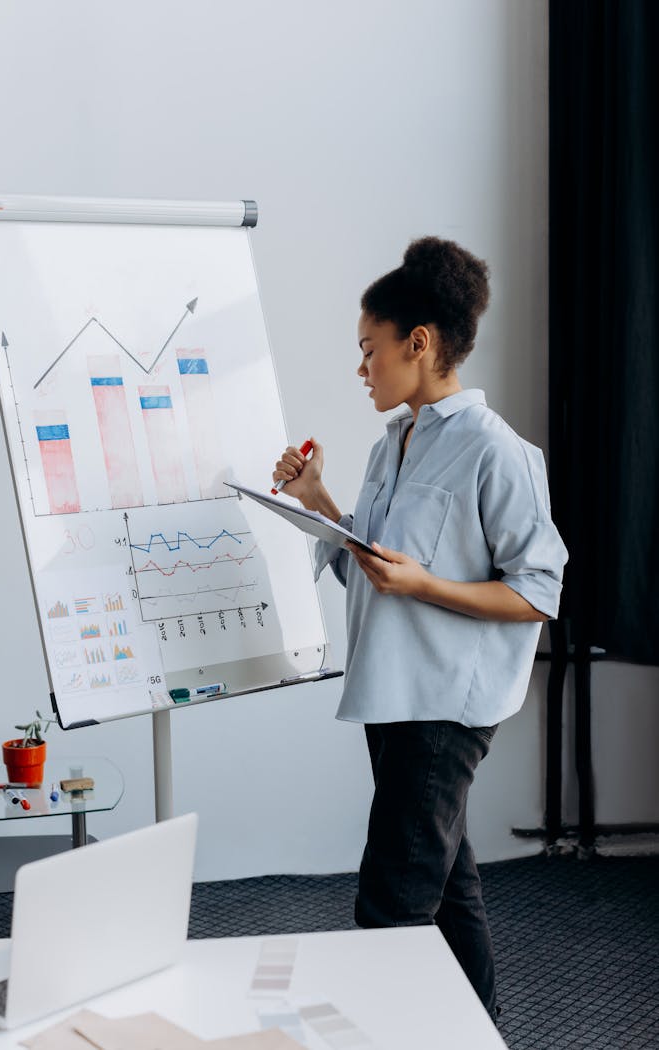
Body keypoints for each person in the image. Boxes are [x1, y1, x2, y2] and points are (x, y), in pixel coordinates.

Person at [272, 236, 568, 1024]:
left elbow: (539, 592)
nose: (361, 368)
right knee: (448, 880)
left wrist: (425, 583)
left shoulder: (497, 453)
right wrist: (319, 501)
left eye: (370, 350)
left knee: (392, 903)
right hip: (392, 692)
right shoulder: (389, 445)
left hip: (445, 706)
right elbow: (369, 563)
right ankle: (479, 1029)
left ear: (421, 343)